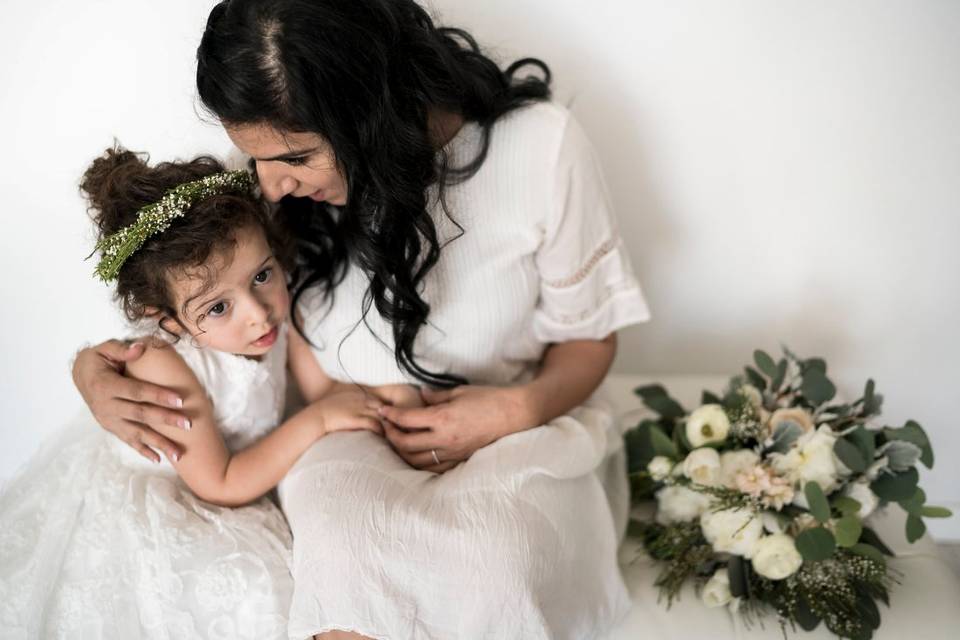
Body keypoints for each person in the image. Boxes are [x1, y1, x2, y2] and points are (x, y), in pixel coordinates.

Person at [72, 1, 652, 638]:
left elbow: (589, 338)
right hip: (349, 432)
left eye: (295, 158)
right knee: (345, 553)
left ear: (366, 115)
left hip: (517, 426)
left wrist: (511, 411)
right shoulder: (279, 182)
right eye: (256, 157)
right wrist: (93, 371)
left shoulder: (542, 150)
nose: (269, 188)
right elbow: (185, 299)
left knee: (496, 558)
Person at [0, 147, 401, 638]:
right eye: (217, 309)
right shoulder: (161, 365)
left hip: (232, 476)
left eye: (261, 275)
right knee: (247, 598)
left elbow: (323, 392)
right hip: (182, 494)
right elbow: (220, 482)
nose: (256, 312)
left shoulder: (275, 314)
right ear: (168, 320)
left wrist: (383, 406)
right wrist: (318, 422)